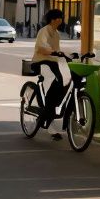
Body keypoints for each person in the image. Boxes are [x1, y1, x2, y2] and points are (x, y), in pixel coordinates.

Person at [33, 9, 68, 140]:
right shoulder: (44, 31)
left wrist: (67, 55)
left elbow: (57, 50)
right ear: (52, 19)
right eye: (59, 17)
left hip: (52, 63)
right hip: (41, 62)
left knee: (64, 82)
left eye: (61, 17)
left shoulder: (56, 33)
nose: (61, 20)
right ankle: (47, 113)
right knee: (54, 83)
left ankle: (50, 110)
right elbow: (41, 47)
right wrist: (53, 52)